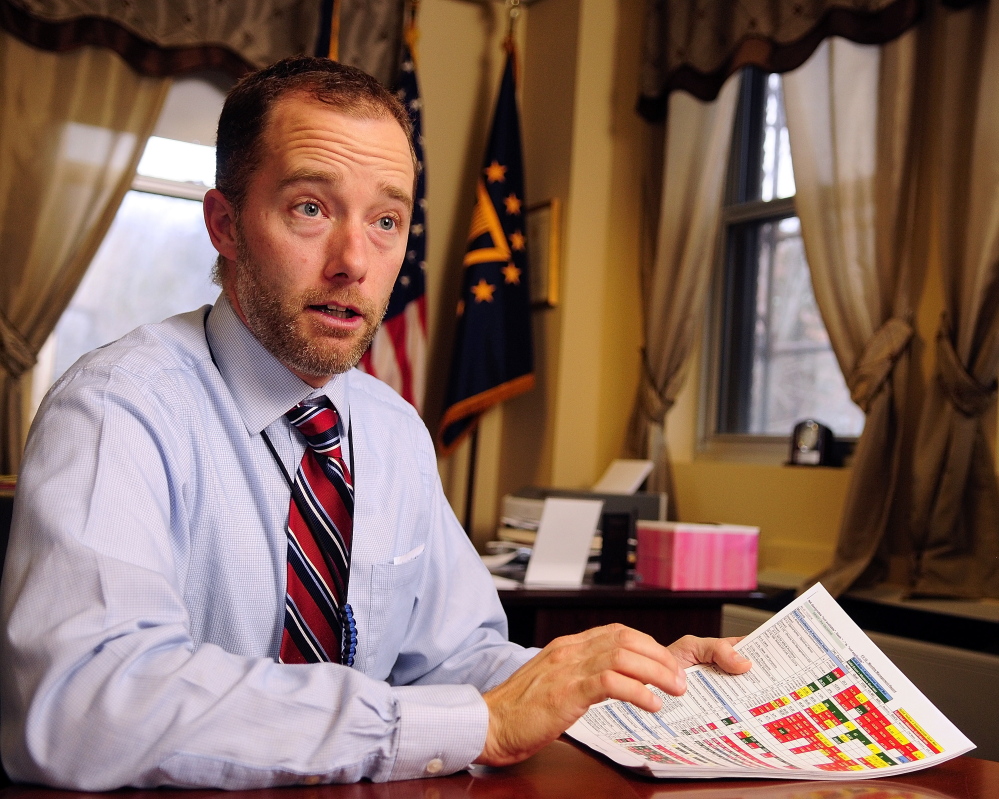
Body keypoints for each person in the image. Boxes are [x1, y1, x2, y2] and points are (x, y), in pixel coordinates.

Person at [0, 56, 750, 790]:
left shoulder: (391, 428)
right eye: (310, 208)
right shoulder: (115, 407)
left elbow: (456, 658)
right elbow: (84, 705)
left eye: (386, 219)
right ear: (224, 225)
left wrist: (620, 683)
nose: (353, 260)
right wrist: (460, 726)